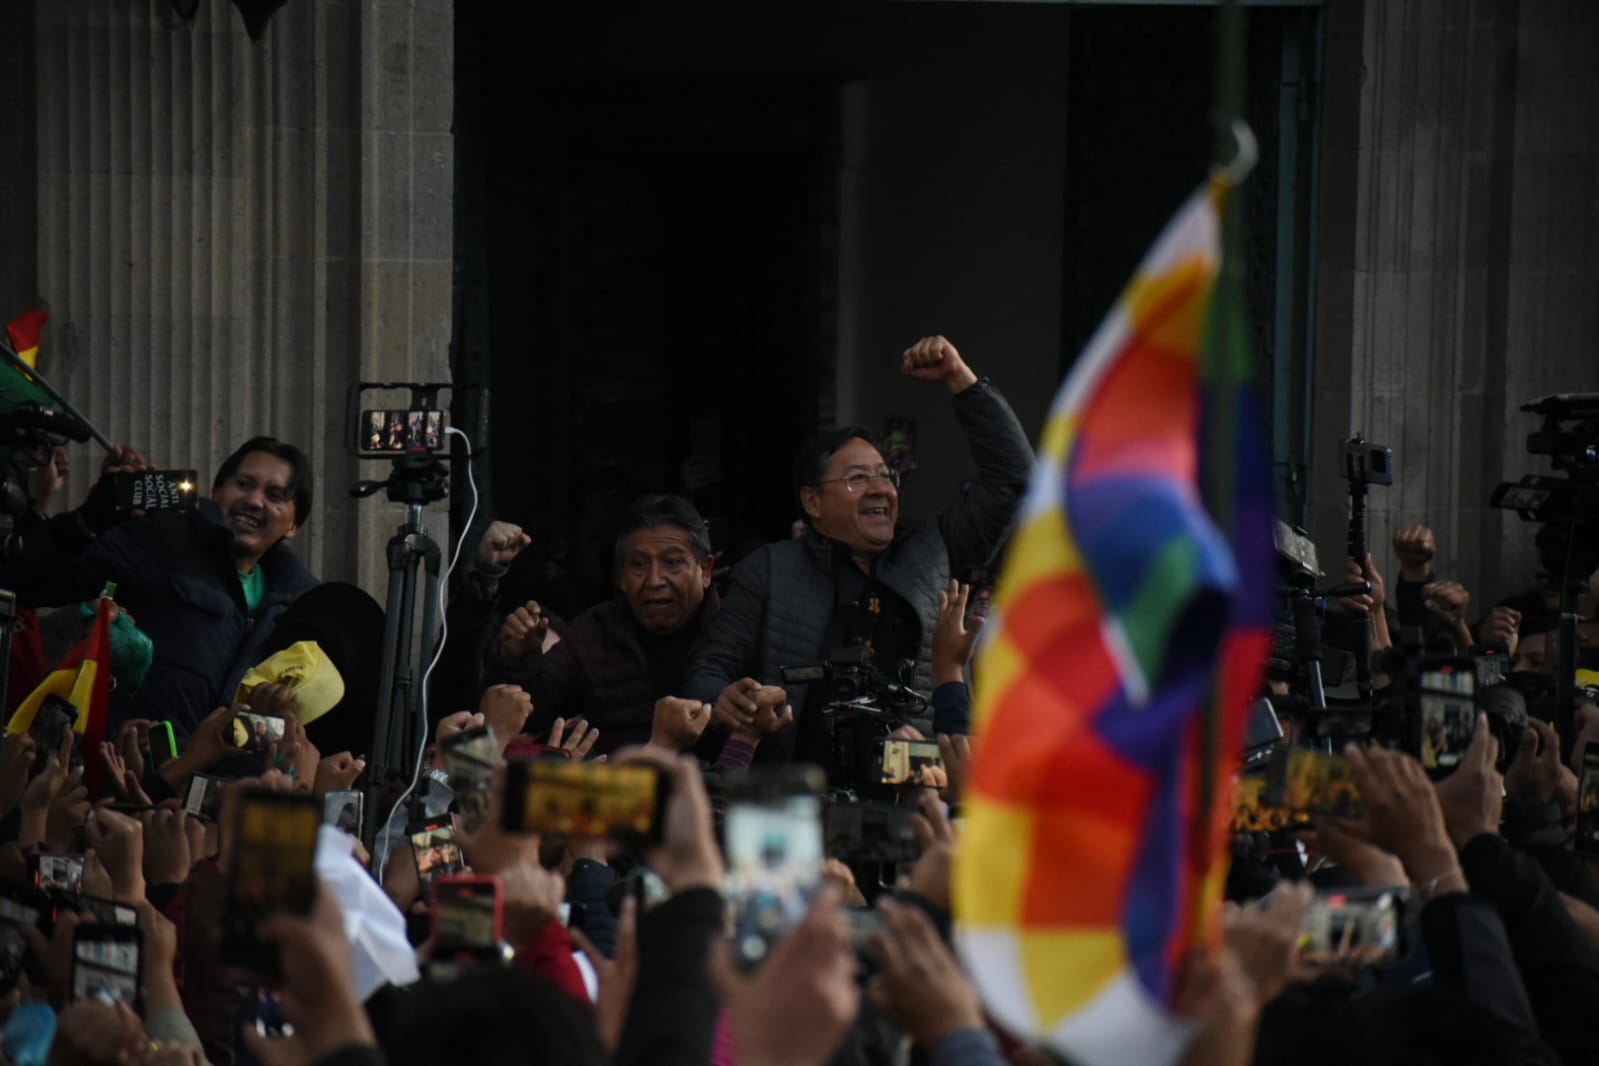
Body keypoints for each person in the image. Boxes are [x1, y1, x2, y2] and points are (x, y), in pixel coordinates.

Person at [683, 336, 1032, 763]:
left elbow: (1015, 480)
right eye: (857, 479)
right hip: (798, 794)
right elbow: (705, 673)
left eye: (886, 476)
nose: (880, 489)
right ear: (812, 502)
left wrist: (961, 379)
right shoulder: (770, 571)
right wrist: (724, 698)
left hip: (916, 790)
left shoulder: (935, 548)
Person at [11, 436, 318, 741]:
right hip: (123, 770)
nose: (253, 500)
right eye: (244, 484)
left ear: (294, 526)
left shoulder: (298, 609)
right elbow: (30, 584)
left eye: (275, 495)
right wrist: (88, 520)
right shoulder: (158, 536)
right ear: (215, 492)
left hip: (219, 784)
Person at [483, 494, 722, 757]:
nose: (654, 580)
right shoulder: (595, 631)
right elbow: (527, 714)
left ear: (706, 570)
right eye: (638, 564)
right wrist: (518, 659)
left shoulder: (735, 628)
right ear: (621, 577)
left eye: (672, 563)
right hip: (618, 791)